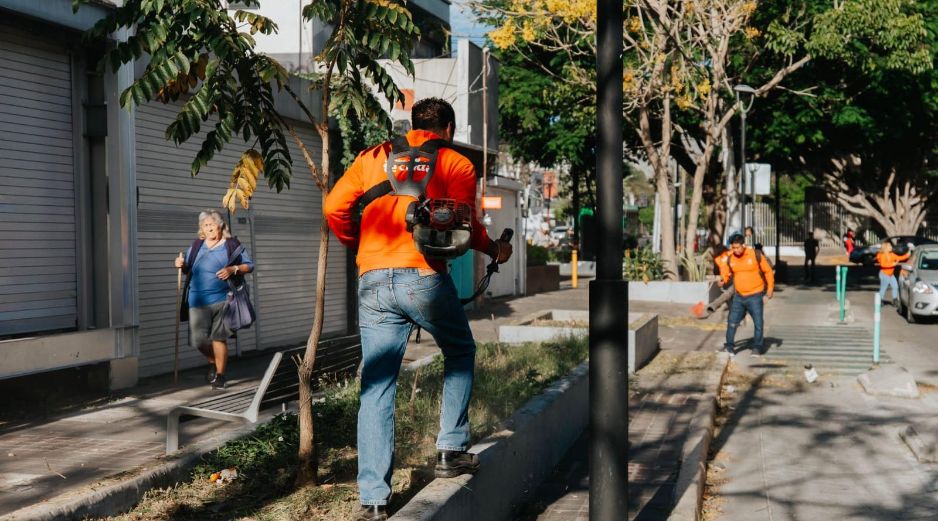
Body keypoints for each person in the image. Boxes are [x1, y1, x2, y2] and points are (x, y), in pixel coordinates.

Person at [323, 98, 513, 521]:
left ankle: (373, 499)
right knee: (460, 350)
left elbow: (333, 207)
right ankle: (450, 448)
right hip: (422, 275)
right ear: (447, 128)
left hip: (371, 279)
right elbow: (464, 224)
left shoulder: (374, 156)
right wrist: (495, 249)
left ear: (412, 125)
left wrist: (357, 243)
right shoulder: (456, 164)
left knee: (377, 383)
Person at [173, 209, 253, 390]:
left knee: (219, 338)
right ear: (201, 228)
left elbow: (250, 265)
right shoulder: (196, 246)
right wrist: (181, 264)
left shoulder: (231, 245)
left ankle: (220, 375)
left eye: (212, 224)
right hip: (197, 300)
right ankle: (213, 362)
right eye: (205, 225)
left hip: (224, 299)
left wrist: (234, 269)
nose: (209, 228)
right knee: (198, 340)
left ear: (220, 226)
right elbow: (187, 269)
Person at [718, 233, 774, 357]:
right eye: (733, 248)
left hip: (755, 295)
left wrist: (770, 288)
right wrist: (723, 280)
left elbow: (768, 271)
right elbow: (726, 274)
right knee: (732, 322)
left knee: (758, 323)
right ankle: (729, 346)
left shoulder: (755, 254)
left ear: (744, 245)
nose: (736, 250)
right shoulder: (730, 258)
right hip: (739, 296)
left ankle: (757, 347)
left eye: (738, 247)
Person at [875, 240, 910, 306]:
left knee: (895, 286)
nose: (891, 247)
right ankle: (880, 300)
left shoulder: (891, 254)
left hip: (891, 274)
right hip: (884, 274)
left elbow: (899, 258)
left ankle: (895, 300)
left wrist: (907, 255)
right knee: (883, 288)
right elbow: (883, 265)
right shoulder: (882, 255)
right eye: (890, 246)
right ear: (886, 248)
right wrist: (893, 264)